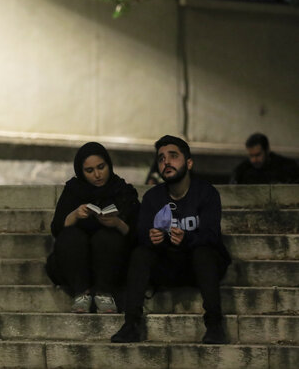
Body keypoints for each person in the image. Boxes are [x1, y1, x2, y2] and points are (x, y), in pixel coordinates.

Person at [111, 135, 231, 344]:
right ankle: (131, 324)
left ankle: (214, 325)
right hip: (167, 267)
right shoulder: (152, 198)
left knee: (203, 252)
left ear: (189, 162)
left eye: (173, 156)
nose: (166, 162)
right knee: (140, 253)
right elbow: (141, 235)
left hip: (199, 267)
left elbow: (212, 236)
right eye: (161, 158)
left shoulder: (206, 193)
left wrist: (186, 239)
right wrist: (152, 238)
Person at [46, 142, 140, 313]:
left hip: (112, 263)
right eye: (89, 171)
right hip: (76, 264)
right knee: (71, 236)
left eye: (101, 167)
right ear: (81, 172)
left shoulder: (122, 190)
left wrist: (118, 223)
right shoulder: (74, 190)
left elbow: (138, 233)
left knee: (108, 237)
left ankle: (104, 292)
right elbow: (56, 229)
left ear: (109, 165)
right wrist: (74, 215)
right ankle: (82, 292)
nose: (97, 175)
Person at [230, 133, 299, 184]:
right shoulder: (242, 171)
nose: (254, 160)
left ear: (267, 150)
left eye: (258, 155)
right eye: (251, 156)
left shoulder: (286, 167)